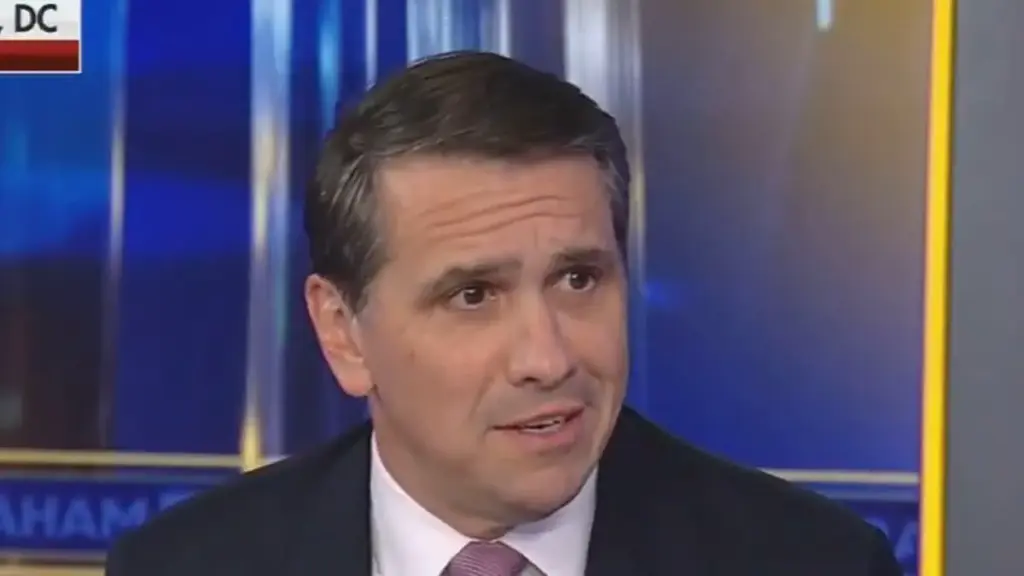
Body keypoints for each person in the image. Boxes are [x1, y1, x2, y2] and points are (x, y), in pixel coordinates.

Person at [105, 51, 902, 576]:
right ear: (343, 332)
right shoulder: (186, 567)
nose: (547, 358)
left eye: (579, 279)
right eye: (474, 295)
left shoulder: (811, 563)